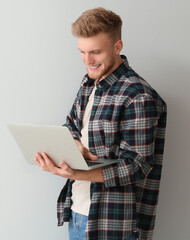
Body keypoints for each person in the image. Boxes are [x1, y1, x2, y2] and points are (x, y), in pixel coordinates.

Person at [34, 8, 167, 240]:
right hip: (77, 211)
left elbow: (138, 165)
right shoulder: (89, 84)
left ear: (117, 47)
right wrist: (74, 145)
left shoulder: (138, 96)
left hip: (114, 225)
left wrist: (78, 171)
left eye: (95, 52)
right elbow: (71, 125)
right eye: (82, 52)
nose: (88, 61)